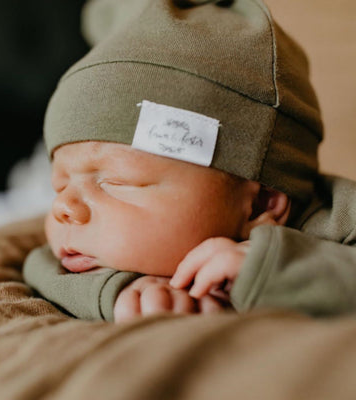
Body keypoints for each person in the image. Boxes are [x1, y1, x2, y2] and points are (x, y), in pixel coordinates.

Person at [23, 0, 356, 323]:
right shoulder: (92, 249)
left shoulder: (339, 218)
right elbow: (40, 266)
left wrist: (274, 265)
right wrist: (121, 289)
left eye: (115, 181)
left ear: (259, 204)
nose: (64, 208)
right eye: (60, 184)